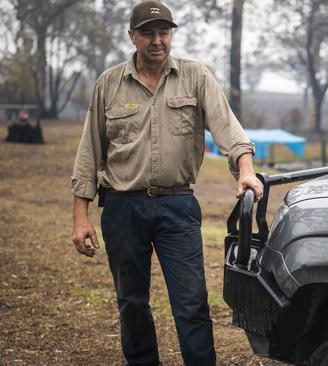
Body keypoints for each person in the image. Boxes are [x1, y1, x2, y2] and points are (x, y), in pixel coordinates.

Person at [69, 1, 263, 365]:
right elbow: (89, 153)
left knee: (191, 303)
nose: (157, 40)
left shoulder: (196, 76)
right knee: (131, 303)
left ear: (171, 34)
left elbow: (229, 130)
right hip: (122, 208)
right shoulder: (109, 83)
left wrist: (246, 170)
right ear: (132, 36)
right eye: (148, 33)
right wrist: (81, 217)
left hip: (177, 207)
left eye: (164, 32)